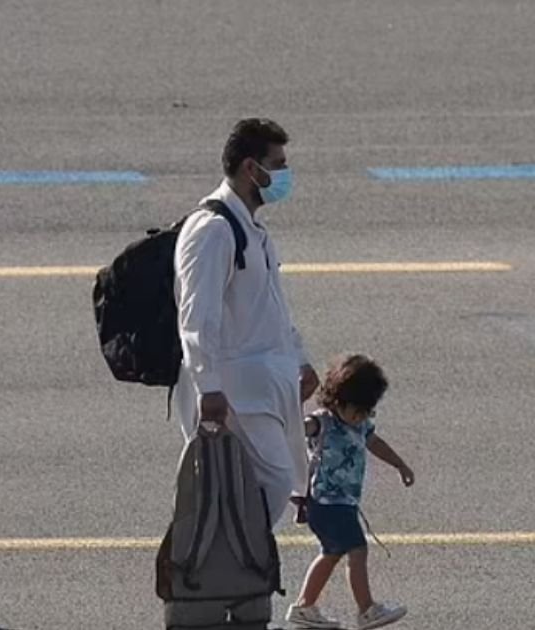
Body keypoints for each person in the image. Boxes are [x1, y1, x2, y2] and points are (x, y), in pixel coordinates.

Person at [173, 118, 320, 527]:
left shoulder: (253, 232)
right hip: (234, 389)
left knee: (273, 485)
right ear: (251, 169)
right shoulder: (213, 230)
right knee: (270, 485)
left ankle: (245, 582)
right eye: (278, 164)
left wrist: (300, 361)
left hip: (264, 384)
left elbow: (271, 309)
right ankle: (232, 580)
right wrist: (209, 388)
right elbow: (197, 316)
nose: (284, 175)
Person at [286, 354, 413, 630]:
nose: (361, 417)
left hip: (344, 503)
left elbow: (375, 442)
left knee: (331, 553)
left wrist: (400, 464)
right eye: (356, 411)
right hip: (326, 503)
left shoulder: (361, 424)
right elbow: (298, 429)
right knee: (357, 549)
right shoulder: (323, 422)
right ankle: (367, 609)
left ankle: (305, 606)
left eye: (367, 412)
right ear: (337, 400)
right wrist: (291, 410)